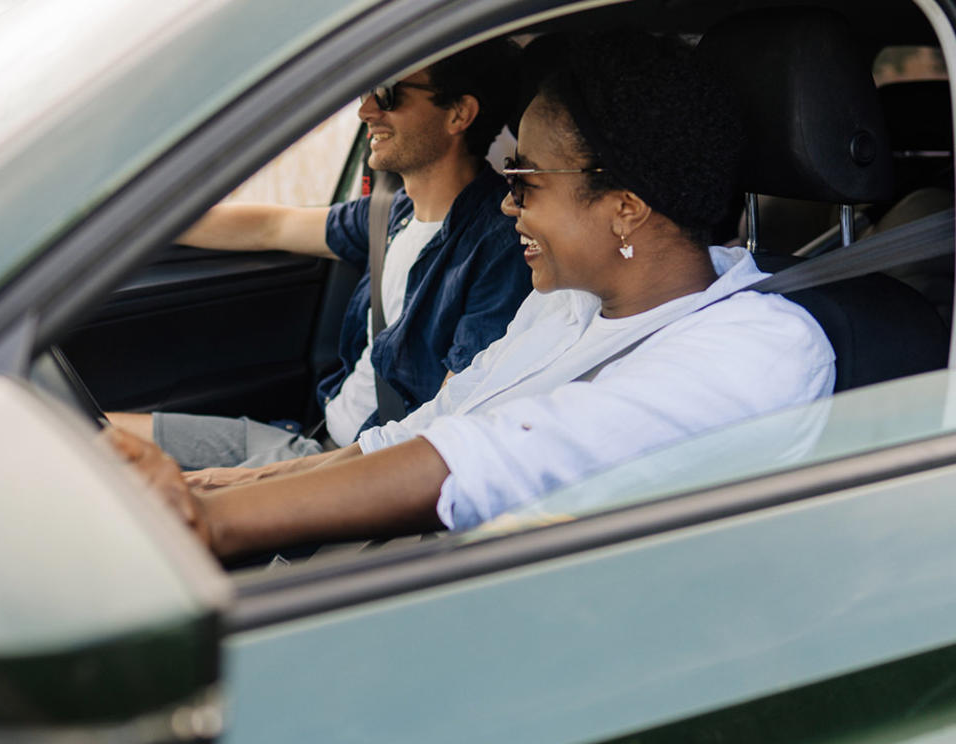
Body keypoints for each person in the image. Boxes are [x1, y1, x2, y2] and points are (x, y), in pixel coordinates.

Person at [106, 30, 836, 559]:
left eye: (525, 181)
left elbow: (484, 460)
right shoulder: (568, 304)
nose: (508, 205)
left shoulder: (760, 348)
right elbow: (417, 432)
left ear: (625, 207)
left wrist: (210, 520)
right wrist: (213, 488)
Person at [108, 38, 533, 468]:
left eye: (387, 93)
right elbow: (271, 226)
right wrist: (133, 222)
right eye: (367, 91)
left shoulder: (500, 246)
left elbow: (438, 432)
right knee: (96, 434)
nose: (366, 110)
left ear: (459, 113)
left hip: (350, 468)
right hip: (312, 439)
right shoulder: (391, 213)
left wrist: (269, 478)